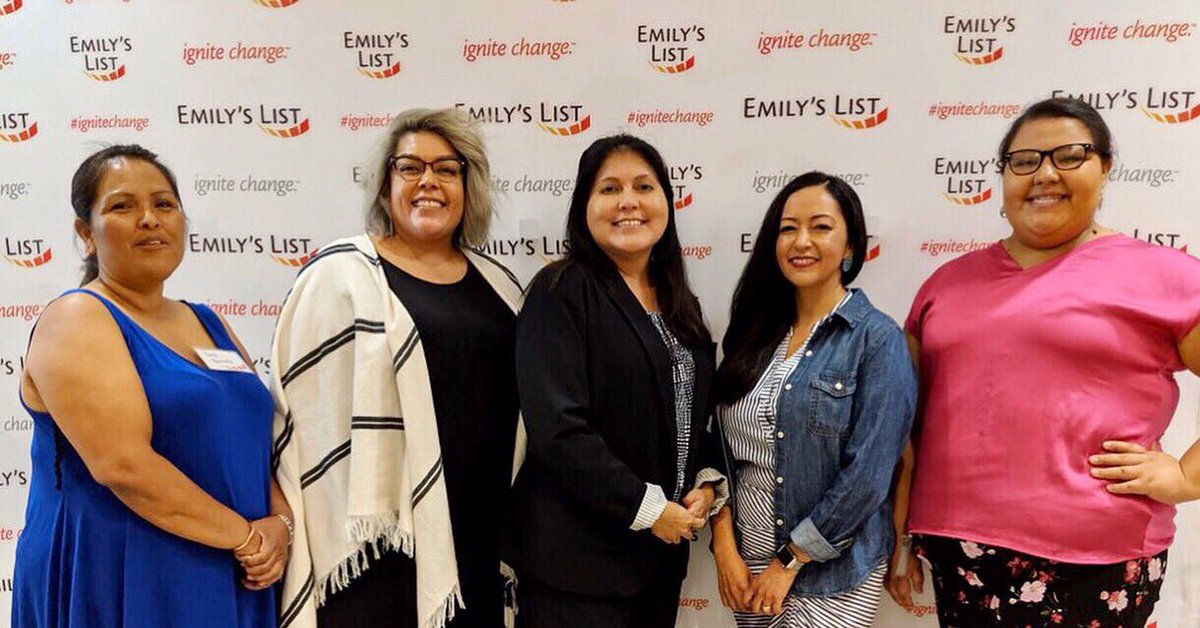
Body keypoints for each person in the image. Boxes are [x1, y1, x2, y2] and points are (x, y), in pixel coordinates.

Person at [887, 97, 1200, 627]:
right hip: (958, 551)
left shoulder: (1166, 276)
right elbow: (905, 428)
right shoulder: (946, 284)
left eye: (1070, 156)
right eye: (1025, 160)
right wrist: (899, 535)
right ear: (1005, 177)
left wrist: (1186, 478)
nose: (1045, 173)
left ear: (1105, 168)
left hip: (1096, 557)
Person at [13, 145, 290, 627]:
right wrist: (244, 537)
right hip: (123, 570)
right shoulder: (77, 316)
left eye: (164, 204)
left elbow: (251, 442)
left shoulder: (209, 322)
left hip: (234, 566)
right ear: (86, 233)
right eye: (122, 206)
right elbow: (123, 465)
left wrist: (279, 526)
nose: (149, 219)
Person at [271, 108, 524, 628]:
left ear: (467, 185)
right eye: (410, 168)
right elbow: (301, 421)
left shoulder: (501, 285)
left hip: (478, 535)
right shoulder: (338, 276)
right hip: (378, 545)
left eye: (446, 169)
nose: (428, 181)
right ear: (386, 185)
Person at [506, 134, 726, 628]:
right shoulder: (560, 291)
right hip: (576, 567)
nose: (628, 201)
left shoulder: (679, 304)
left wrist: (706, 486)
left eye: (644, 186)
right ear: (584, 205)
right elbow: (559, 430)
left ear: (666, 202)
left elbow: (693, 419)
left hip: (657, 566)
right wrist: (650, 510)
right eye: (609, 189)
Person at [708, 172, 916, 627]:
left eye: (821, 227)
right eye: (788, 228)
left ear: (849, 247)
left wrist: (791, 560)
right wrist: (723, 542)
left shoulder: (877, 340)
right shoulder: (751, 333)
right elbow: (719, 449)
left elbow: (869, 476)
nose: (801, 241)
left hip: (830, 571)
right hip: (749, 565)